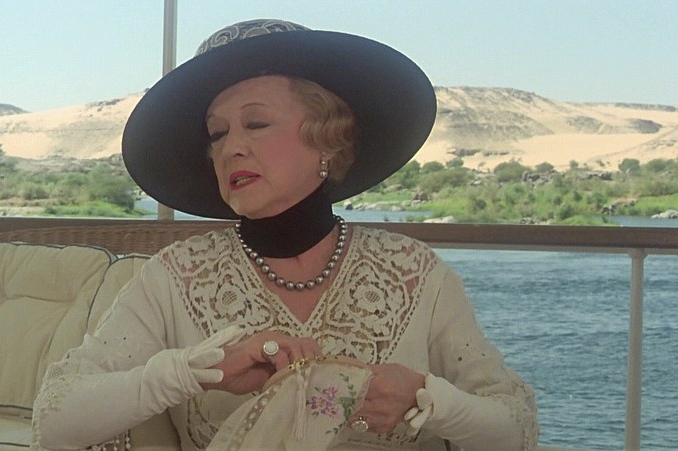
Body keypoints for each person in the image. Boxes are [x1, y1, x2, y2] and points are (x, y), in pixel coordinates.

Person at [32, 19, 538, 450]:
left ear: (326, 140)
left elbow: (517, 428)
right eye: (217, 133)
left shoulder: (415, 272)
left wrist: (428, 398)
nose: (231, 148)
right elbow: (54, 420)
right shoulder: (175, 276)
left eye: (255, 124)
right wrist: (191, 372)